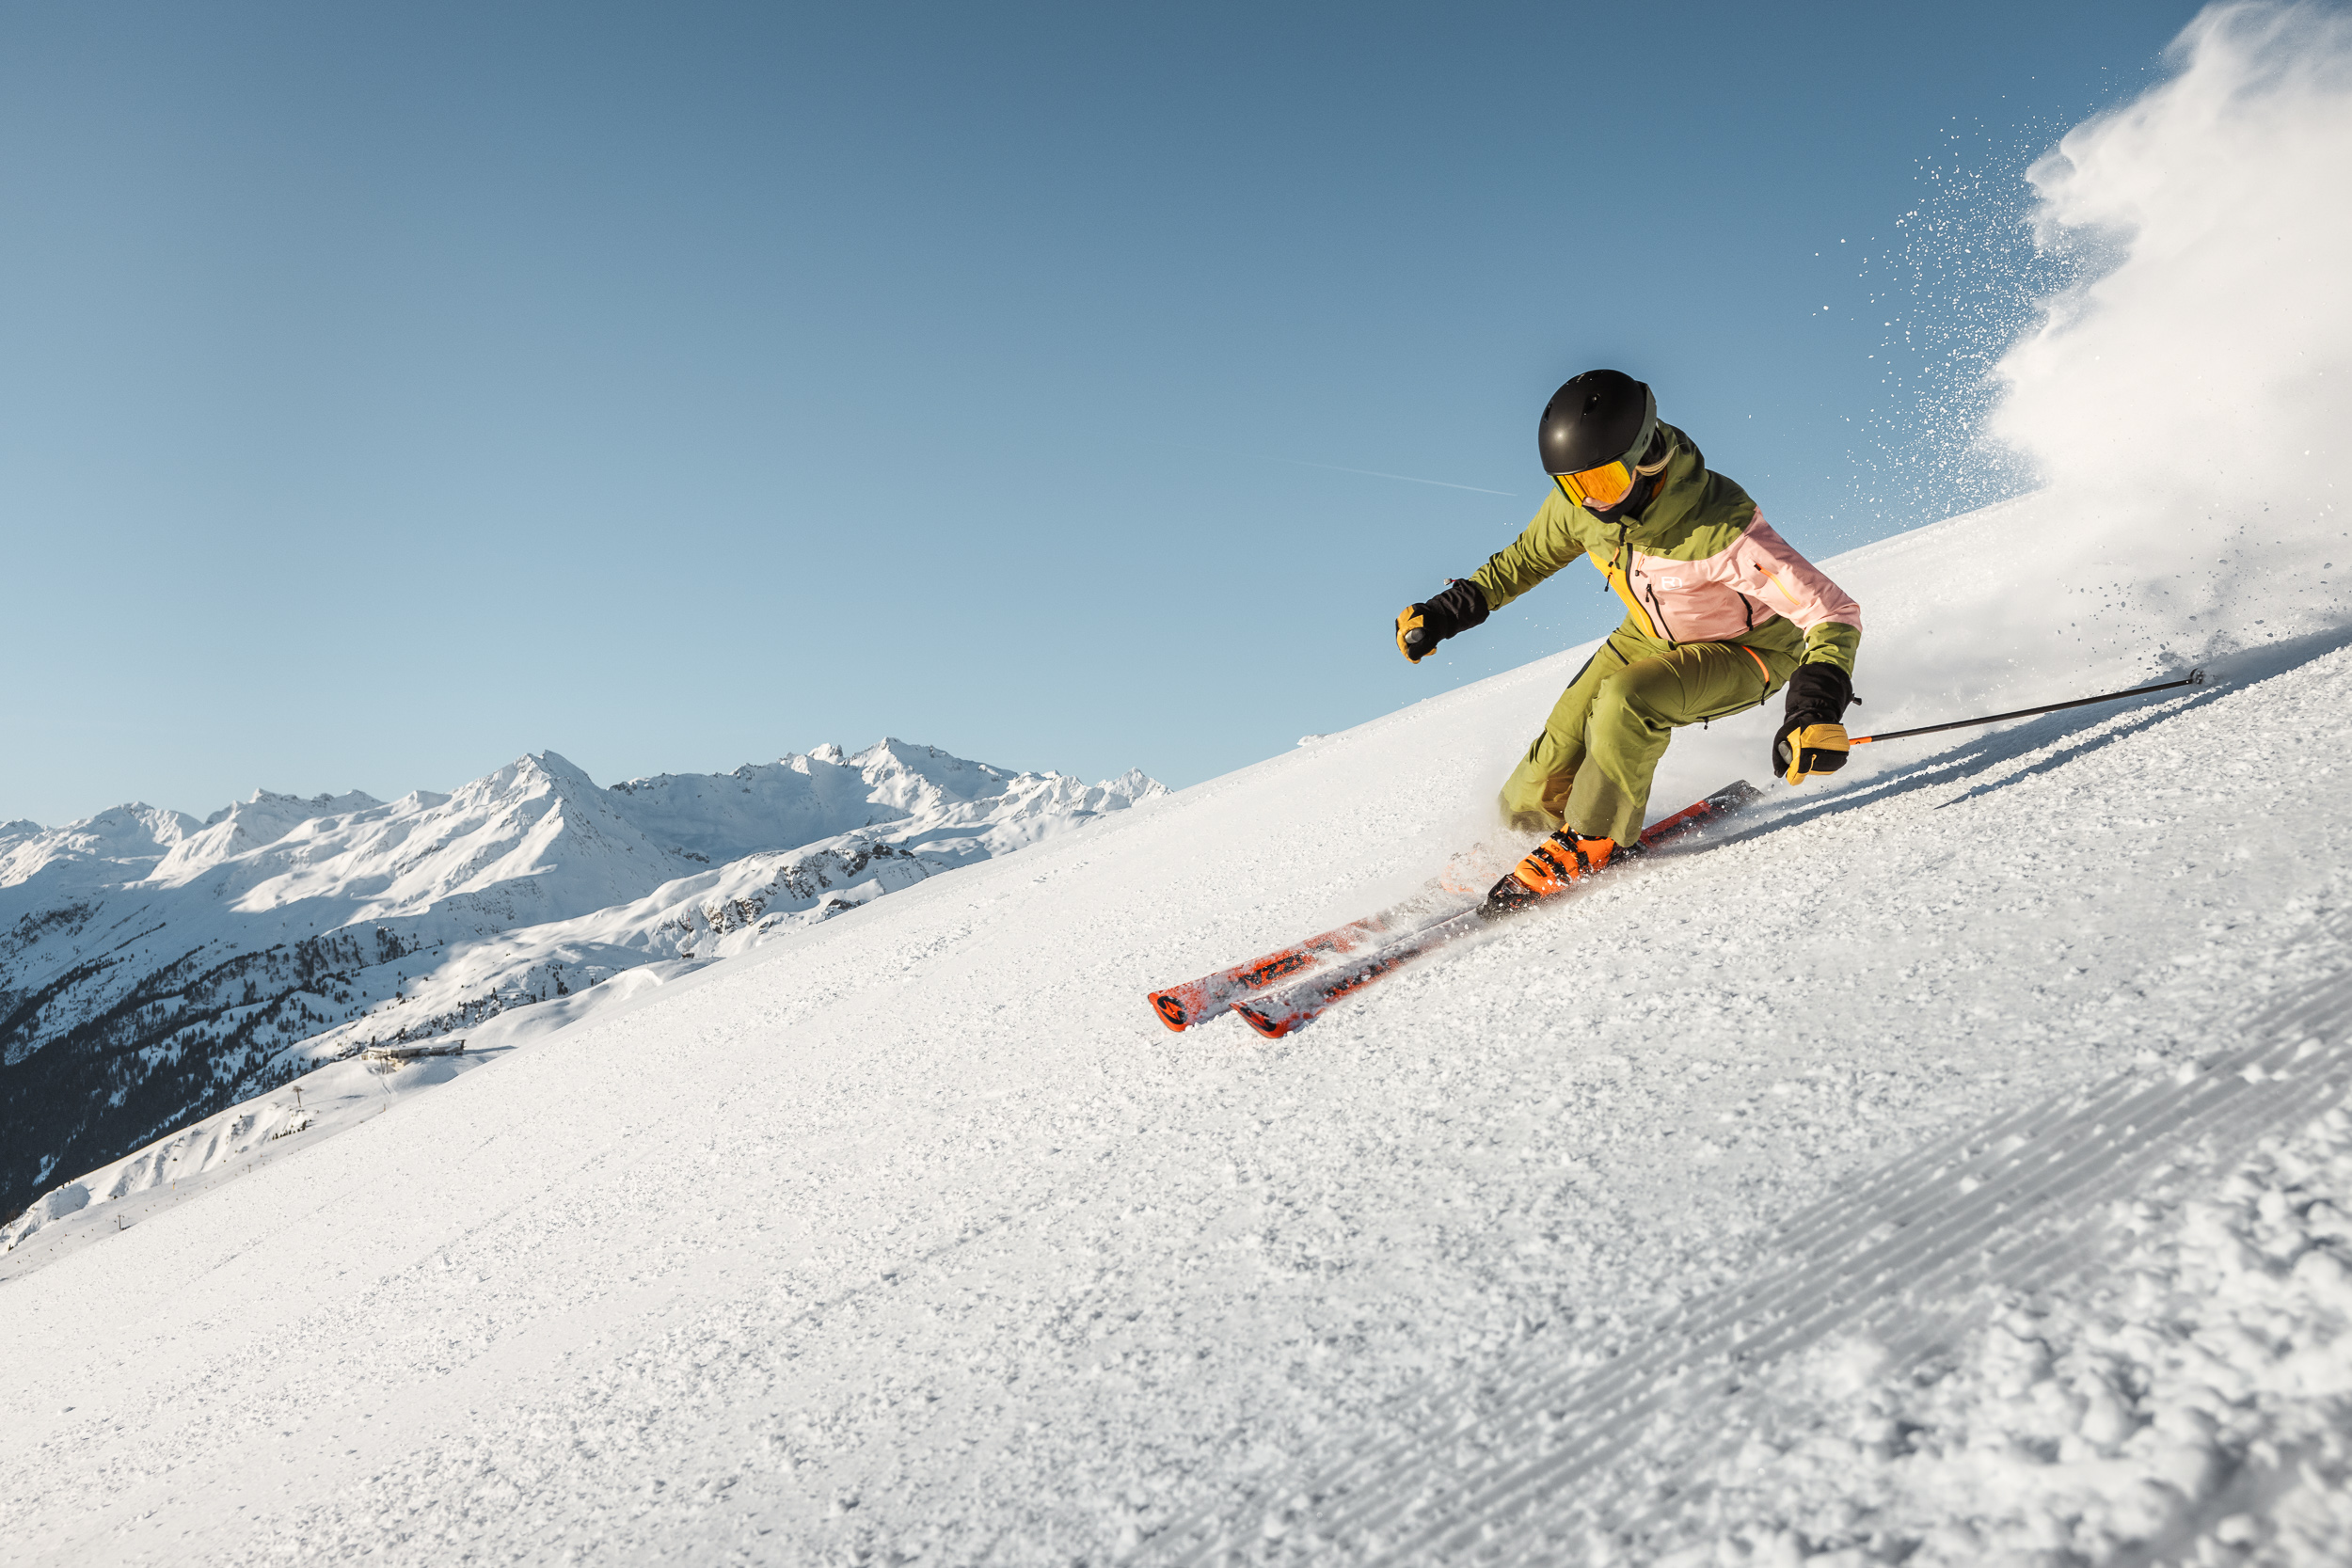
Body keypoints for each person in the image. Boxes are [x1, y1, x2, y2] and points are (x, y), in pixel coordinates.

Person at [1395, 369, 1862, 915]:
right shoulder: (1580, 508)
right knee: (1560, 739)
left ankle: (1596, 836)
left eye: (1604, 483)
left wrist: (1813, 708)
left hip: (1747, 648)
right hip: (1647, 635)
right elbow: (1524, 559)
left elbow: (1831, 610)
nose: (1591, 501)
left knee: (1625, 702)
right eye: (1575, 486)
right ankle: (1521, 836)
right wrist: (1444, 613)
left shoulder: (1722, 526)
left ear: (1647, 458)